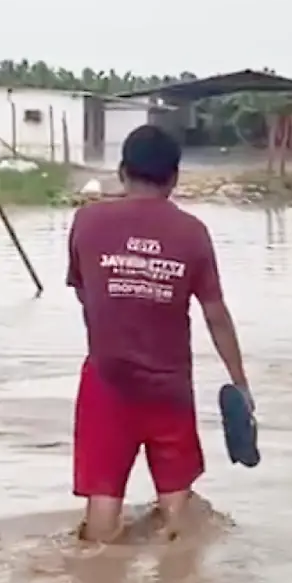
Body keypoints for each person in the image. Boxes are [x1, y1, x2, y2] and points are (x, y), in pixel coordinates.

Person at [66, 124, 250, 543]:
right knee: (177, 506)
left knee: (103, 501)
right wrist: (239, 382)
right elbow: (215, 314)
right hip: (169, 385)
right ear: (174, 177)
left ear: (121, 171)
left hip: (106, 381)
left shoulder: (86, 221)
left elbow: (85, 293)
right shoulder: (192, 233)